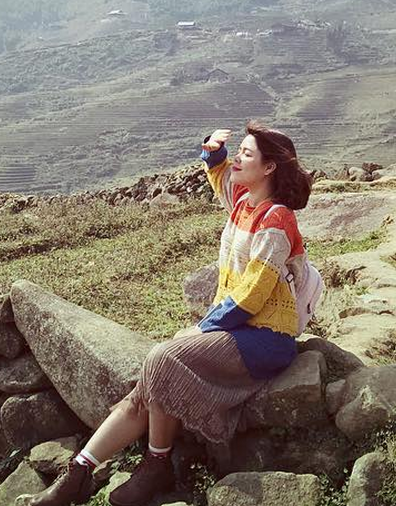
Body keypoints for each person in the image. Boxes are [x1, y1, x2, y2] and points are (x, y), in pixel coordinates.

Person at [18, 120, 314, 506]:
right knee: (150, 380)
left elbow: (254, 294)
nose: (238, 159)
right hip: (238, 330)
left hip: (266, 337)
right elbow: (221, 178)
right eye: (239, 151)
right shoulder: (244, 203)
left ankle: (156, 464)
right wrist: (213, 152)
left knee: (161, 359)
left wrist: (203, 328)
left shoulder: (277, 220)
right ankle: (77, 473)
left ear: (269, 167)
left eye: (246, 153)